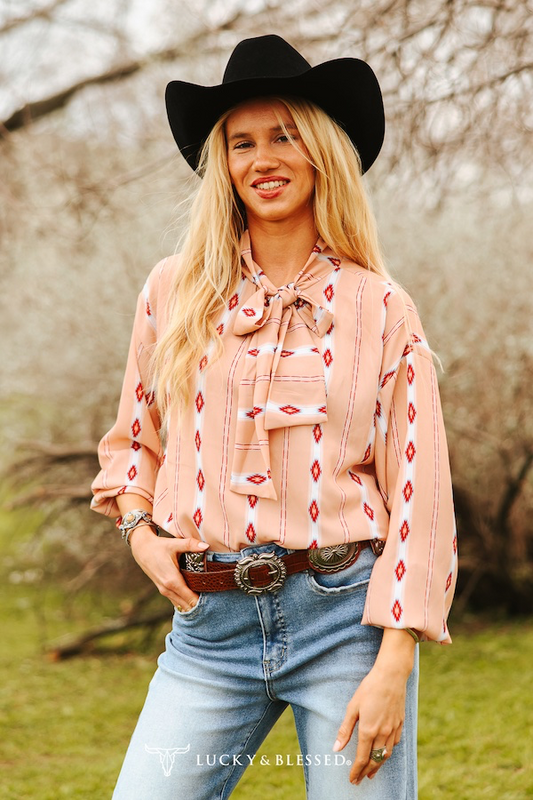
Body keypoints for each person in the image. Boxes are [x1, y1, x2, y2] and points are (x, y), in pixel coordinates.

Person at [91, 34, 457, 799]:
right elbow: (135, 438)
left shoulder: (381, 307)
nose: (264, 158)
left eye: (284, 135)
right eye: (241, 141)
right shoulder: (172, 290)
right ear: (221, 164)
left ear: (320, 149)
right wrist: (140, 537)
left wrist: (394, 661)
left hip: (341, 622)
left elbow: (420, 494)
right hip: (207, 626)